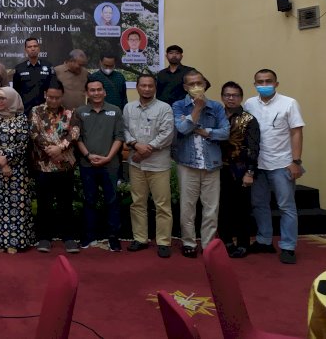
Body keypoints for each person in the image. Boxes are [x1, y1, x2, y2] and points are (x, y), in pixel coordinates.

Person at [244, 69, 305, 264]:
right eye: (260, 82)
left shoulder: (289, 103)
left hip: (282, 163)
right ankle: (264, 240)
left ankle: (288, 246)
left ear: (276, 83)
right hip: (258, 165)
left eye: (268, 81)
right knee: (259, 204)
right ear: (254, 84)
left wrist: (296, 162)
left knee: (286, 206)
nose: (264, 84)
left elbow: (296, 132)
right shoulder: (249, 104)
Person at [172, 70, 229, 258]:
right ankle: (188, 242)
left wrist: (206, 132)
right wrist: (196, 109)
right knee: (187, 207)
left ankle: (208, 244)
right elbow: (181, 129)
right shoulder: (179, 106)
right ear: (185, 87)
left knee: (211, 208)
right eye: (191, 84)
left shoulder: (216, 107)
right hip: (187, 164)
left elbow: (225, 132)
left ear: (205, 83)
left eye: (199, 83)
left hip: (211, 163)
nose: (196, 87)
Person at [123, 74, 175, 258]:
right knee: (137, 203)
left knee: (162, 205)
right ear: (137, 87)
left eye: (150, 86)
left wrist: (147, 149)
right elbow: (125, 130)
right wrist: (136, 145)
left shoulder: (164, 108)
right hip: (136, 164)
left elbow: (167, 133)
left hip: (158, 165)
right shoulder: (129, 108)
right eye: (143, 85)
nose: (146, 89)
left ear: (155, 88)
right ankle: (140, 239)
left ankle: (163, 241)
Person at [30, 78, 81, 254]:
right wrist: (50, 150)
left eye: (57, 97)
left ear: (62, 96)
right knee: (44, 204)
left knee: (65, 203)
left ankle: (68, 237)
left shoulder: (70, 113)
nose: (53, 100)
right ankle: (44, 237)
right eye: (50, 97)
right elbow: (34, 133)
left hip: (64, 165)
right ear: (45, 95)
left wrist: (60, 148)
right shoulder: (36, 111)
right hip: (43, 165)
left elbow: (74, 132)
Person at [0, 87, 35, 253]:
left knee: (16, 205)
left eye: (3, 98)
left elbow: (23, 144)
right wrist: (3, 163)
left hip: (17, 169)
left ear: (11, 99)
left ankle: (14, 241)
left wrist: (9, 160)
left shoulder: (21, 119)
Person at [77, 79, 126, 251]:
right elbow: (78, 139)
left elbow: (119, 137)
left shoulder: (115, 110)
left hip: (110, 164)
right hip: (87, 164)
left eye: (99, 90)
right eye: (92, 90)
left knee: (112, 201)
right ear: (87, 93)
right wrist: (89, 155)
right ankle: (88, 236)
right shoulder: (80, 112)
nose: (96, 93)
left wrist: (108, 158)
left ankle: (113, 238)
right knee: (89, 200)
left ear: (104, 92)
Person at [219, 81, 259, 258]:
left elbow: (253, 147)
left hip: (241, 169)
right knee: (223, 207)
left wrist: (250, 172)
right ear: (222, 97)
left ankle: (243, 243)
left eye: (235, 95)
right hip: (218, 168)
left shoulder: (249, 119)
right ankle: (226, 241)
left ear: (241, 98)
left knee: (242, 208)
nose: (231, 98)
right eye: (227, 95)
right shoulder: (216, 115)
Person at [12, 37, 53, 114]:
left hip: (45, 110)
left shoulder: (48, 66)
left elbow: (53, 88)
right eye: (29, 47)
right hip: (25, 110)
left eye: (35, 46)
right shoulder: (19, 68)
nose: (33, 49)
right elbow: (16, 92)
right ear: (25, 50)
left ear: (39, 48)